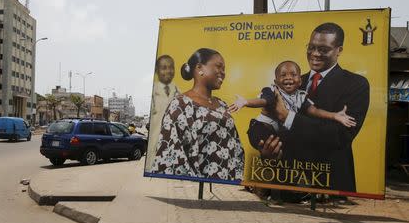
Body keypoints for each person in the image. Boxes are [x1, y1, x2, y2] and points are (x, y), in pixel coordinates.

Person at [265, 22, 370, 193]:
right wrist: (266, 145)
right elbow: (273, 121)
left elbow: (340, 135)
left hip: (329, 184)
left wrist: (289, 117)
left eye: (323, 49)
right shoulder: (294, 81)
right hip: (288, 180)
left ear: (339, 50)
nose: (315, 54)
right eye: (311, 47)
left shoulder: (356, 84)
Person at [151, 48, 244, 181]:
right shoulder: (180, 104)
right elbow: (172, 151)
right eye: (219, 67)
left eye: (224, 69)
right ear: (199, 68)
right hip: (197, 182)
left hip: (229, 181)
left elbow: (235, 145)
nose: (223, 73)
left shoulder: (222, 104)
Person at [229, 60, 356, 150]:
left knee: (288, 141)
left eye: (293, 75)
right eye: (283, 75)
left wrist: (334, 116)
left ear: (300, 81)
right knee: (260, 135)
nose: (288, 78)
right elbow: (263, 101)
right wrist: (245, 102)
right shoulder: (272, 90)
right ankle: (263, 147)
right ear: (276, 81)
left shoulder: (301, 96)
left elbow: (314, 110)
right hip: (263, 127)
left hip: (280, 132)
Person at [145, 55, 180, 171]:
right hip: (157, 137)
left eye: (171, 67)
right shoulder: (153, 91)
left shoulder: (179, 91)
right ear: (157, 71)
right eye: (164, 68)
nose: (168, 71)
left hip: (174, 138)